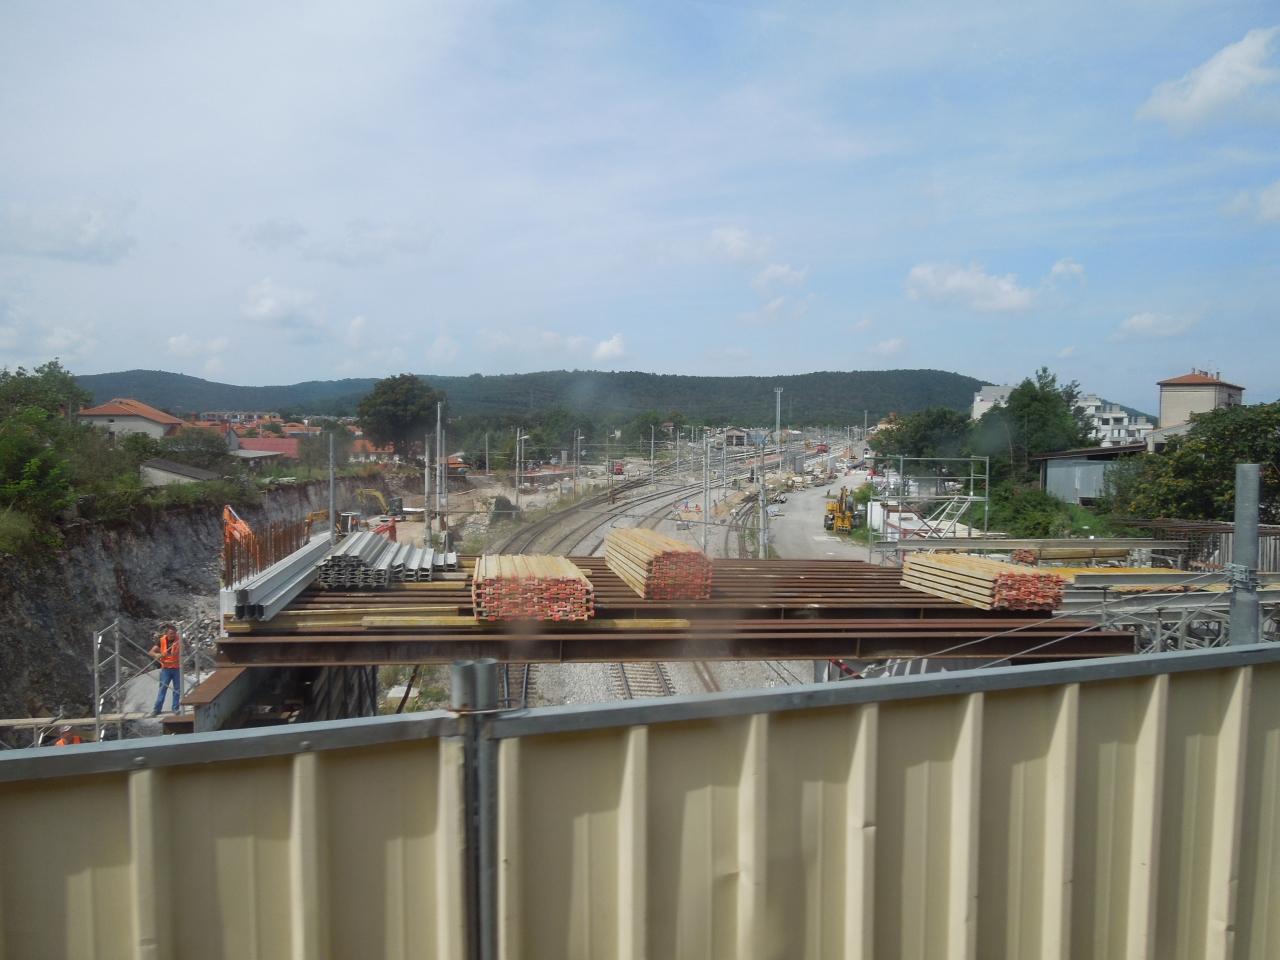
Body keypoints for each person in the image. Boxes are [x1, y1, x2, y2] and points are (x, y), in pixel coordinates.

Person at [149, 623, 181, 716]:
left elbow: (183, 649)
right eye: (171, 633)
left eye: (174, 633)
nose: (173, 635)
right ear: (166, 634)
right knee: (162, 689)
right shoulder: (161, 641)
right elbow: (151, 652)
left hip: (176, 668)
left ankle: (175, 708)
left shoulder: (178, 640)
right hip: (166, 669)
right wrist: (156, 654)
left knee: (177, 689)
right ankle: (157, 709)